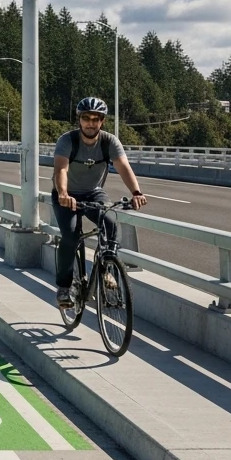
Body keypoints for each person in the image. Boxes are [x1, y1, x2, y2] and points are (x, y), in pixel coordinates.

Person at [52, 97, 148, 309]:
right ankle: (64, 287)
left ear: (102, 121)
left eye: (96, 119)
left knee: (110, 222)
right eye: (86, 118)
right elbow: (61, 169)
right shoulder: (67, 140)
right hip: (67, 195)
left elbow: (123, 166)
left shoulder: (109, 141)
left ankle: (107, 270)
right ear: (79, 120)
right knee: (70, 235)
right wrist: (63, 193)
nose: (91, 123)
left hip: (93, 193)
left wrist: (136, 192)